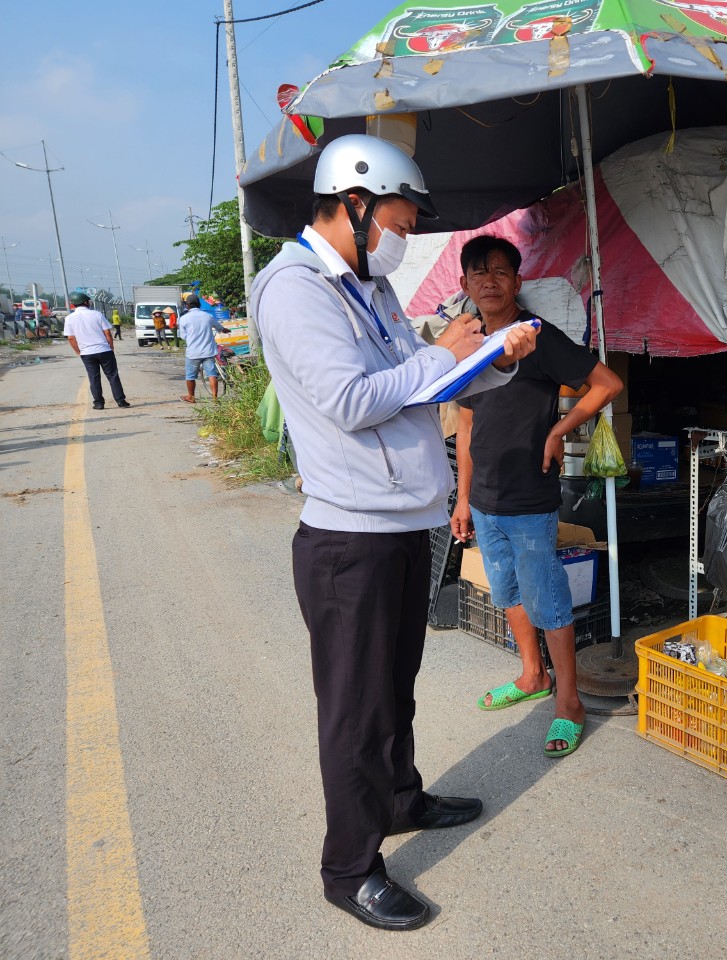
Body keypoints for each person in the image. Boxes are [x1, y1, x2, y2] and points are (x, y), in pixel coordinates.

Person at [248, 133, 538, 933]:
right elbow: (349, 399)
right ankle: (350, 867)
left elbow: (422, 377)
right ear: (354, 204)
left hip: (403, 525)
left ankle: (402, 798)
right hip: (351, 540)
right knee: (354, 708)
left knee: (394, 686)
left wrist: (492, 355)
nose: (404, 241)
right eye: (401, 225)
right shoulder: (295, 288)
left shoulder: (368, 286)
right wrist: (439, 352)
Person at [451, 235, 621, 759]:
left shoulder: (538, 337)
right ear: (464, 284)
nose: (490, 281)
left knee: (547, 600)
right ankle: (531, 676)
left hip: (529, 499)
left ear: (517, 282)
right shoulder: (468, 340)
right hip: (484, 499)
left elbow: (606, 384)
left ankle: (569, 704)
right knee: (508, 591)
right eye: (479, 273)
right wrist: (461, 498)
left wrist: (559, 430)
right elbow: (466, 422)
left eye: (501, 272)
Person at [64, 291, 130, 410]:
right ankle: (121, 401)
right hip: (104, 350)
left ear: (74, 305)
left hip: (87, 353)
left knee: (94, 378)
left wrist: (79, 352)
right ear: (85, 302)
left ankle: (99, 403)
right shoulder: (97, 314)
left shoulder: (69, 318)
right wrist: (111, 346)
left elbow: (70, 338)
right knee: (113, 376)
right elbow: (107, 333)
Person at [177, 293, 229, 402]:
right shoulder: (208, 316)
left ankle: (191, 397)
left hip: (193, 352)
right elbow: (219, 327)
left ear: (187, 305)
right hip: (209, 351)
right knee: (212, 375)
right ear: (199, 304)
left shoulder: (184, 319)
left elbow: (183, 336)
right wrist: (225, 330)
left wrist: (192, 340)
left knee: (190, 376)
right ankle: (215, 398)